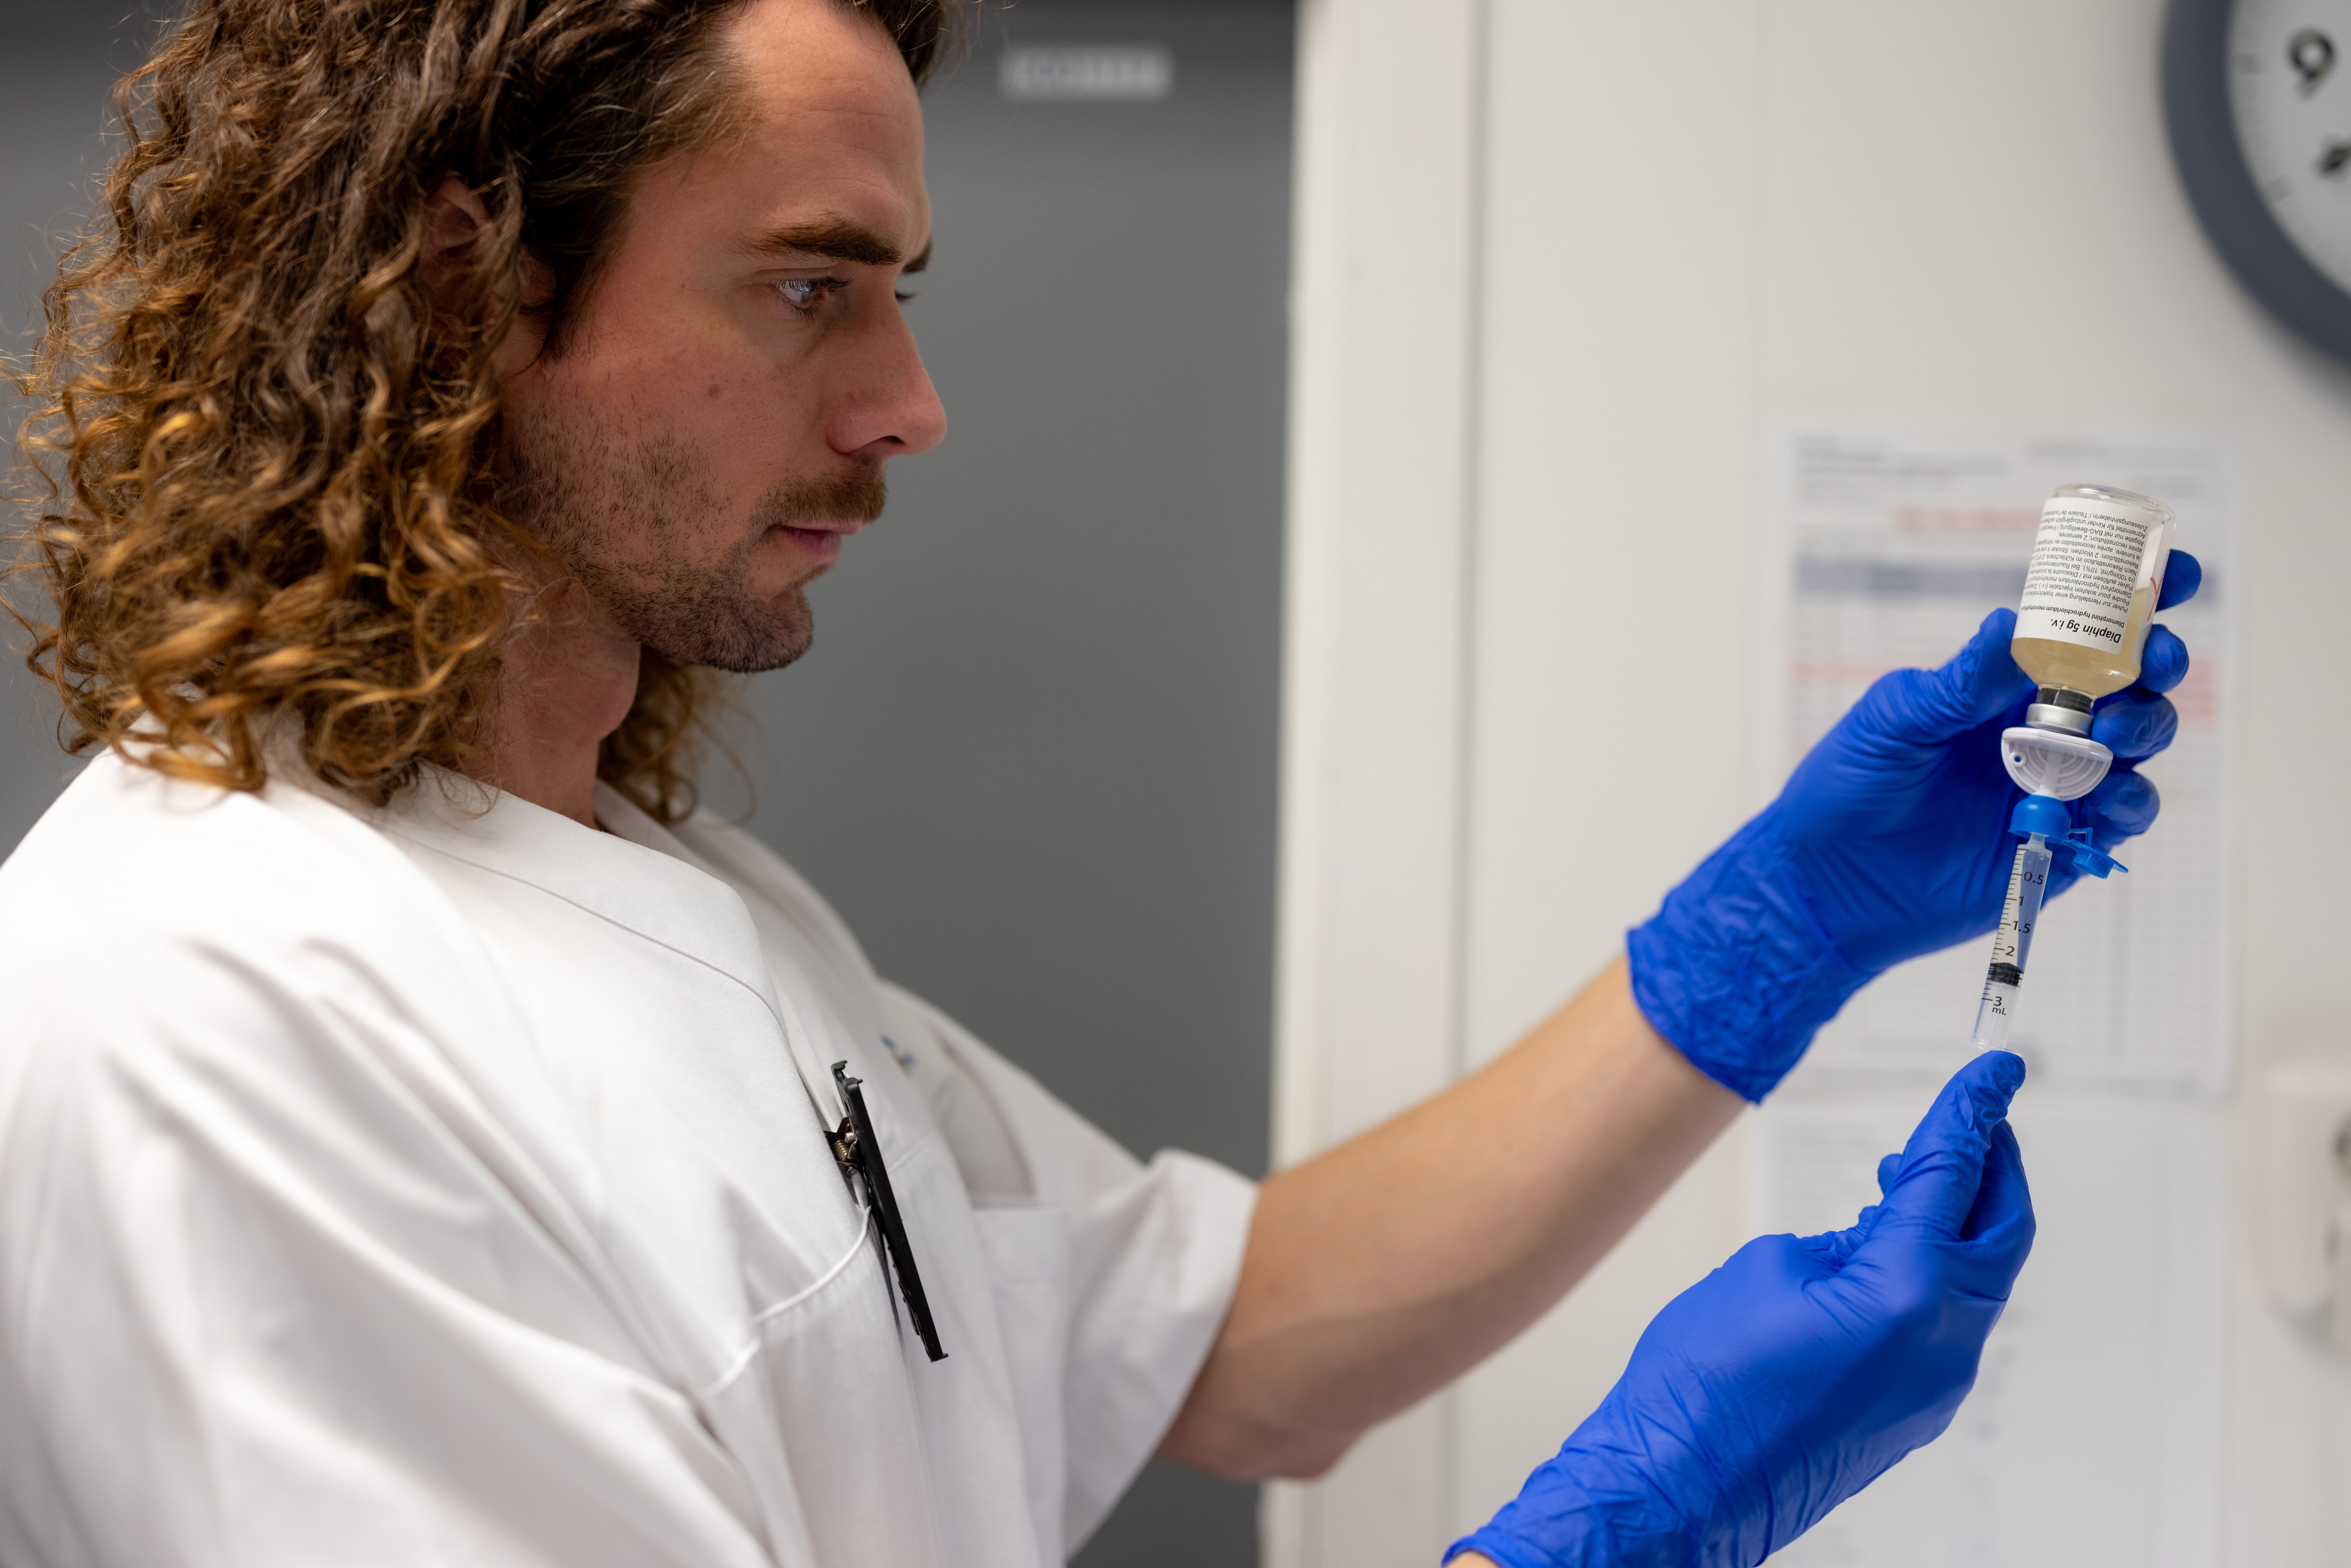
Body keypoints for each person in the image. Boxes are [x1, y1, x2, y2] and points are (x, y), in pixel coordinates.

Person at [0, 0, 2197, 1563]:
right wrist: (1610, 1538)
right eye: (807, 289)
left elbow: (1222, 1342)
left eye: (900, 293)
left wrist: (1778, 929)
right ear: (469, 283)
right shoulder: (223, 1007)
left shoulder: (679, 907)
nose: (910, 401)